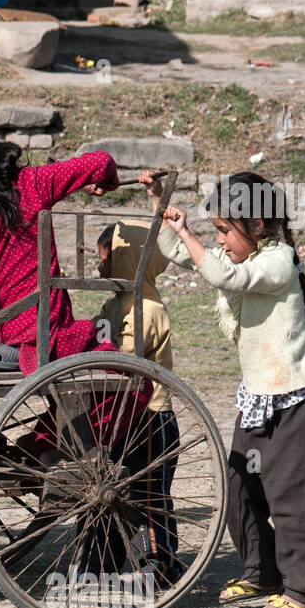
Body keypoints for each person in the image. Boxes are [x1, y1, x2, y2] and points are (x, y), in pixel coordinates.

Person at [152, 171, 305, 608]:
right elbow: (183, 254)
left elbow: (227, 277)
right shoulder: (245, 257)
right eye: (218, 232)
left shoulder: (278, 262)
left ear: (258, 227)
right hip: (258, 396)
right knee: (240, 489)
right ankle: (261, 572)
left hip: (295, 401)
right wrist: (162, 211)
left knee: (292, 497)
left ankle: (301, 589)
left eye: (226, 231)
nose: (222, 241)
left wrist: (191, 235)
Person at [0, 127, 122, 374]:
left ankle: (4, 347)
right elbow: (102, 161)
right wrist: (106, 183)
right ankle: (5, 347)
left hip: (5, 324)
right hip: (50, 319)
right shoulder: (35, 181)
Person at [89, 207, 182, 583]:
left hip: (150, 418)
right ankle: (102, 562)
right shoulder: (112, 305)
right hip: (120, 416)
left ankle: (159, 565)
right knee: (107, 492)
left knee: (150, 496)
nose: (100, 269)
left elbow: (124, 356)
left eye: (106, 261)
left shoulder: (149, 310)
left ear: (129, 261)